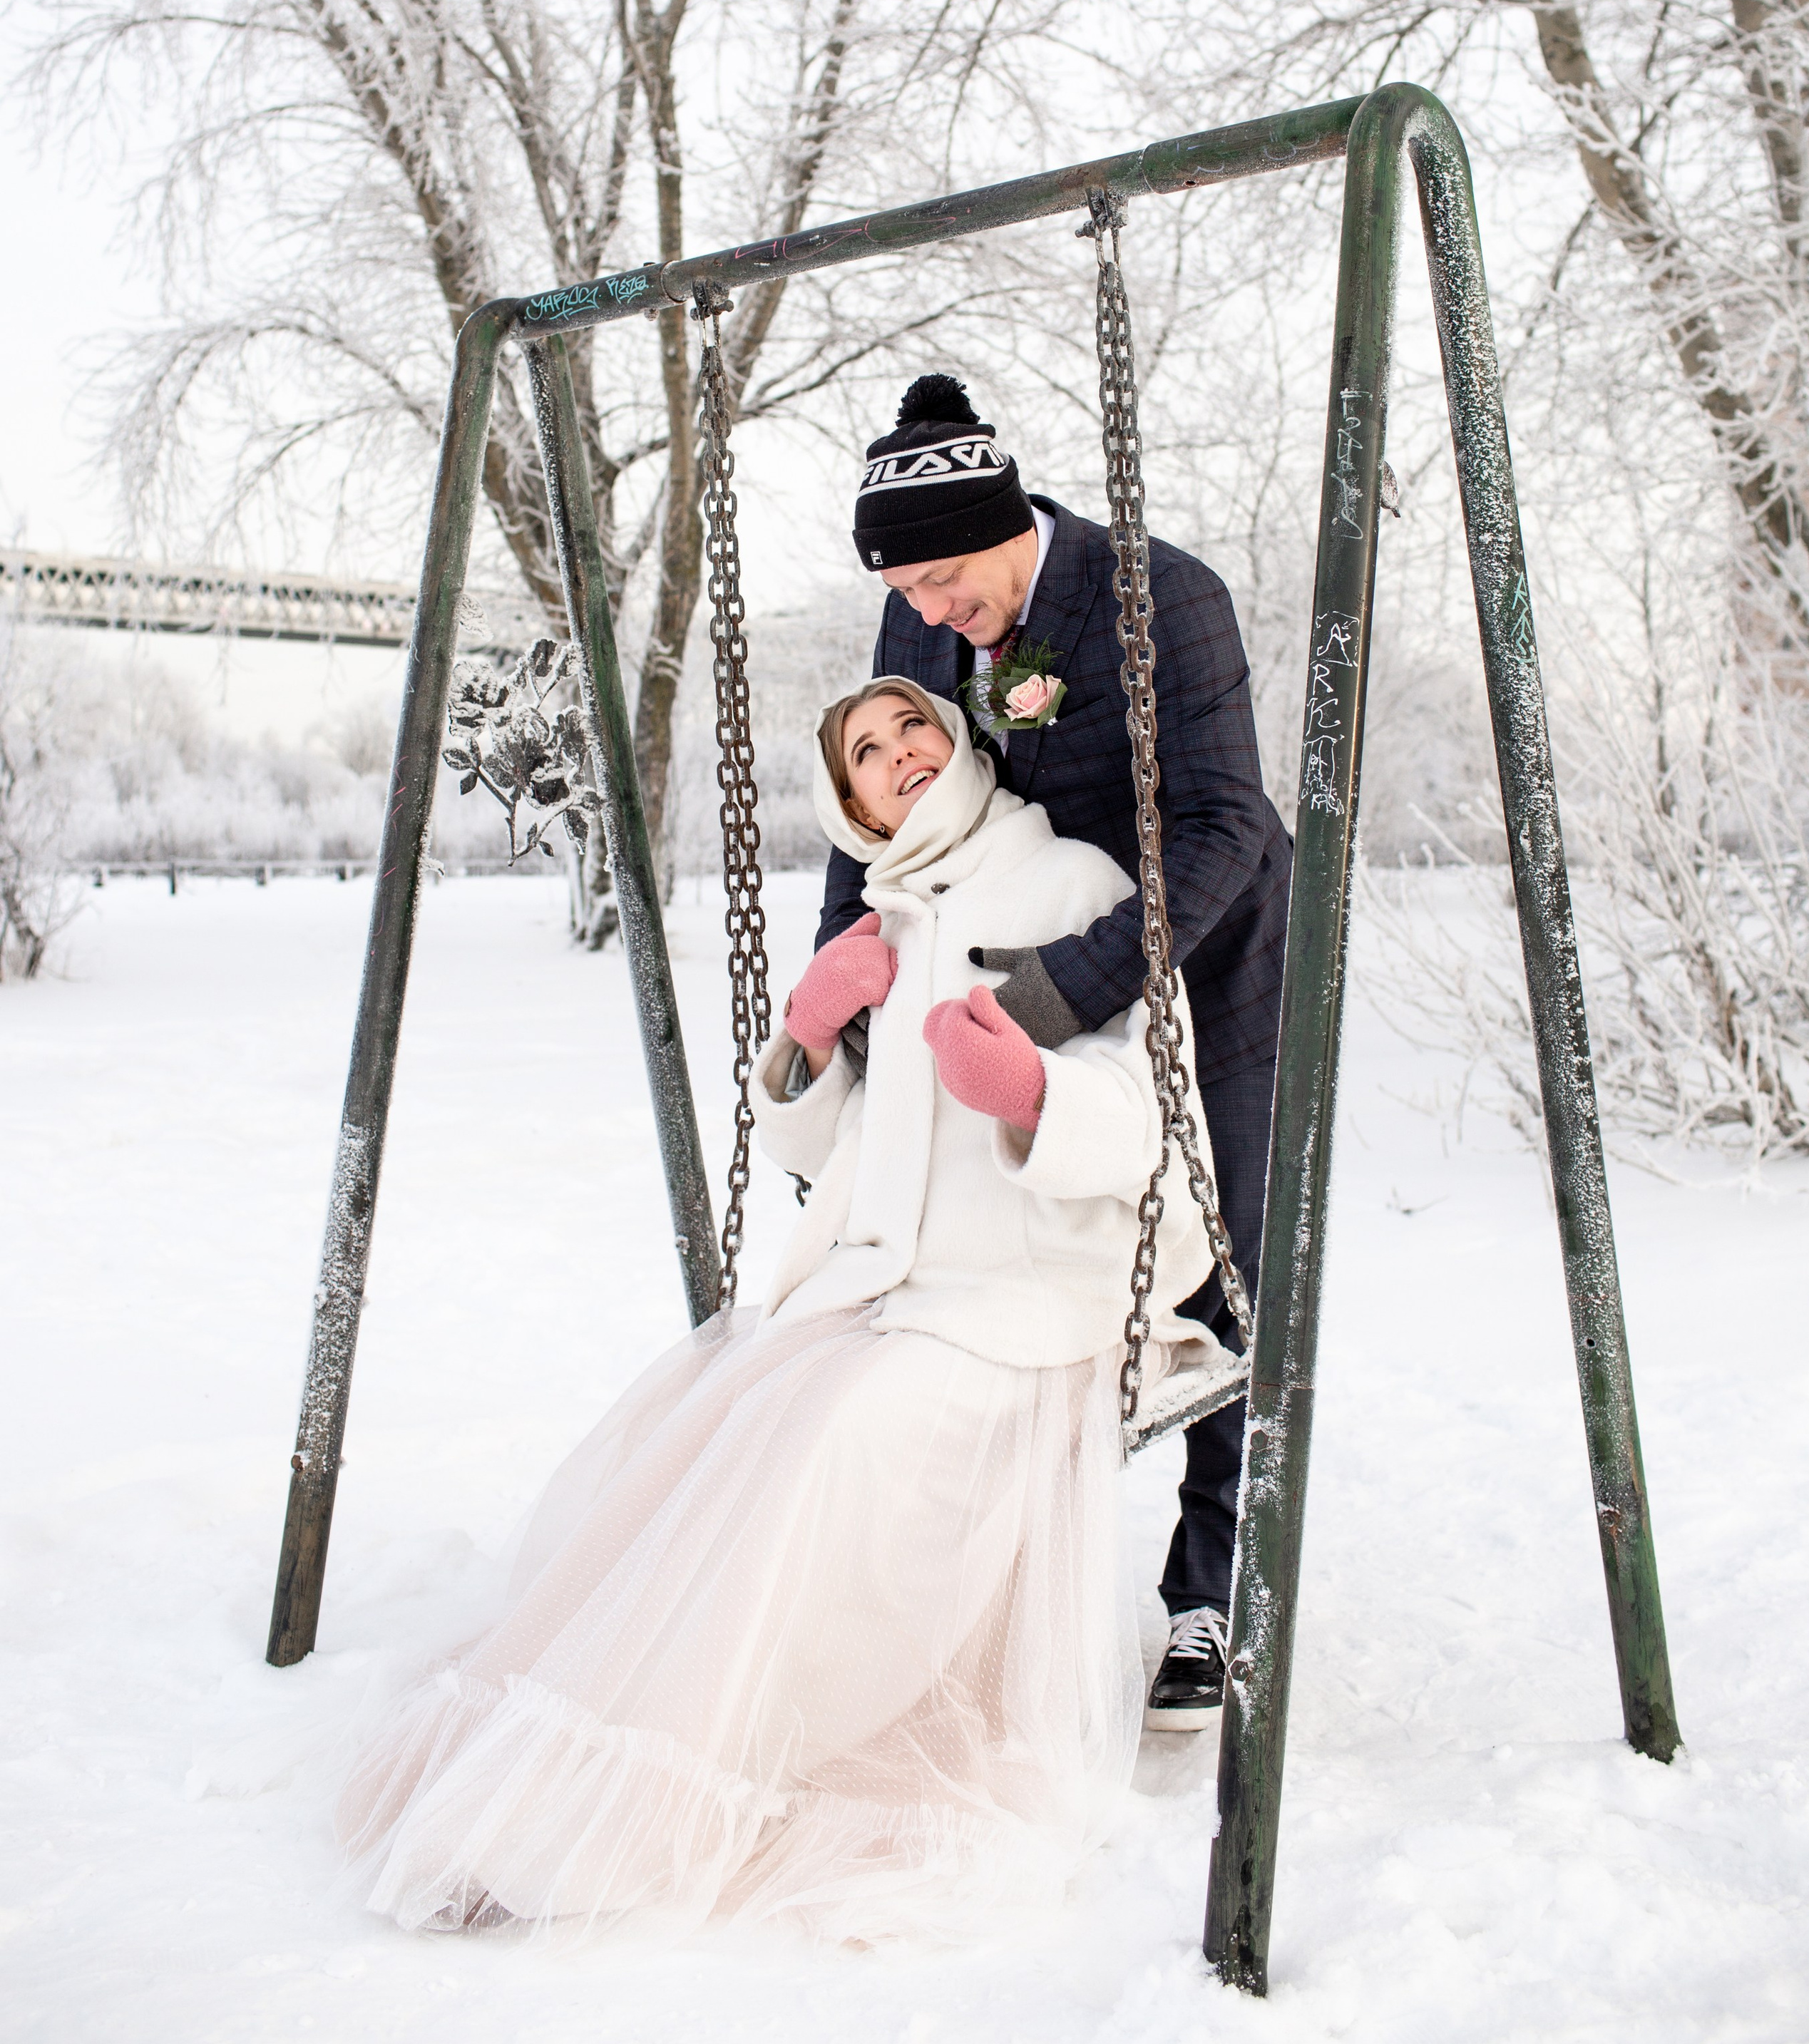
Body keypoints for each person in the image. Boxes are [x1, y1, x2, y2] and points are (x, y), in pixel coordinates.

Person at [335, 680, 1224, 1944]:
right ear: (853, 804)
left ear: (962, 743)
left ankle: (665, 1787)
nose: (900, 754)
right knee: (712, 1424)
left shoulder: (1078, 887)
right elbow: (838, 1146)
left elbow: (1157, 1120)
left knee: (834, 1442)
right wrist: (807, 1038)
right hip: (889, 1288)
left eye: (915, 728)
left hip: (1029, 1299)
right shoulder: (890, 919)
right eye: (866, 751)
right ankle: (590, 1757)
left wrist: (1035, 1093)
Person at [825, 374, 1291, 1728]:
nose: (926, 614)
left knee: (1225, 1266)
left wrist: (1060, 995)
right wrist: (846, 978)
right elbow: (883, 817)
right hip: (1004, 983)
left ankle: (1212, 1590)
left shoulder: (1164, 597)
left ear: (1007, 526)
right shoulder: (923, 611)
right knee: (1004, 1257)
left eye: (943, 580)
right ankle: (1001, 1573)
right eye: (903, 590)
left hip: (1205, 964)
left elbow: (1226, 826)